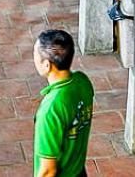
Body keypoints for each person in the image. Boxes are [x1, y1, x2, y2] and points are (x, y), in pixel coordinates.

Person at [32, 28, 93, 177]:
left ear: (47, 65)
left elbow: (48, 171)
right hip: (79, 171)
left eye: (35, 54)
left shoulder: (50, 111)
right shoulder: (82, 82)